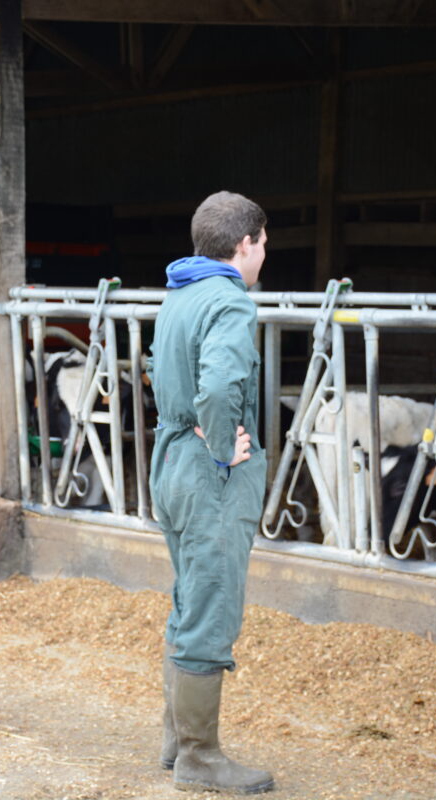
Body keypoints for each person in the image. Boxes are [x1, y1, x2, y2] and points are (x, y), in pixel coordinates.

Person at [149, 190, 274, 795]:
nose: (263, 254)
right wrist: (224, 445)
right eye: (263, 243)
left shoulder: (179, 294)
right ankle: (201, 757)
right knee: (212, 602)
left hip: (171, 459)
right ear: (244, 243)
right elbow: (222, 383)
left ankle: (177, 740)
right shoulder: (229, 301)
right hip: (209, 475)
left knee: (187, 596)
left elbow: (163, 373)